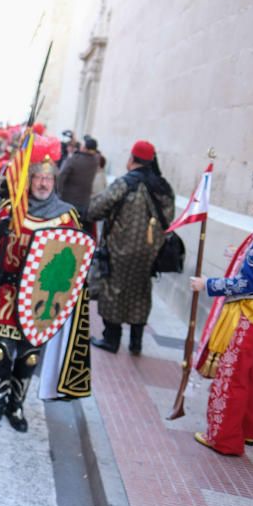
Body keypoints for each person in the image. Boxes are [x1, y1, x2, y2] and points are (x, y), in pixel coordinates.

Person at [0, 134, 89, 431]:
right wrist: (2, 223)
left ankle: (16, 406)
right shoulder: (13, 208)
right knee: (0, 351)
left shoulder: (65, 217)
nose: (42, 184)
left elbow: (76, 259)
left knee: (28, 356)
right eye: (37, 178)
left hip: (42, 299)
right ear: (30, 178)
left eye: (48, 180)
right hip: (9, 292)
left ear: (54, 183)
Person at [190, 141, 253, 456]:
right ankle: (246, 430)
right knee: (249, 375)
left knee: (232, 375)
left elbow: (248, 282)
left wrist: (208, 284)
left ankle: (224, 438)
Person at [87, 140, 175, 354]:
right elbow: (169, 219)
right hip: (150, 253)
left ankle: (111, 340)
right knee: (140, 293)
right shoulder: (163, 187)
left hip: (120, 250)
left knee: (114, 291)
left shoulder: (125, 183)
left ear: (133, 159)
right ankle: (136, 343)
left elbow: (95, 209)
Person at [57, 136, 101, 218]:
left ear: (85, 148)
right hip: (84, 202)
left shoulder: (74, 159)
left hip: (68, 200)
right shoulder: (95, 161)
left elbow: (61, 176)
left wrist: (58, 193)